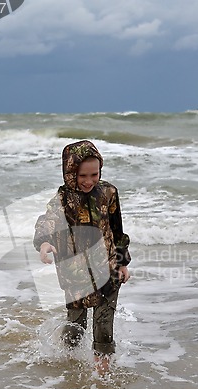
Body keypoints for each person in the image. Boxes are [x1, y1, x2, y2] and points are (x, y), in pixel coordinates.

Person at [33, 140, 131, 375]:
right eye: (82, 175)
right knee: (76, 323)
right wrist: (44, 243)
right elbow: (47, 221)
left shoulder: (108, 193)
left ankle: (103, 370)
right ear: (70, 173)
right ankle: (70, 363)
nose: (89, 181)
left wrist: (123, 262)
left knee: (104, 321)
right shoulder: (63, 199)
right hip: (74, 272)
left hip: (107, 268)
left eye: (94, 174)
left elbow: (117, 229)